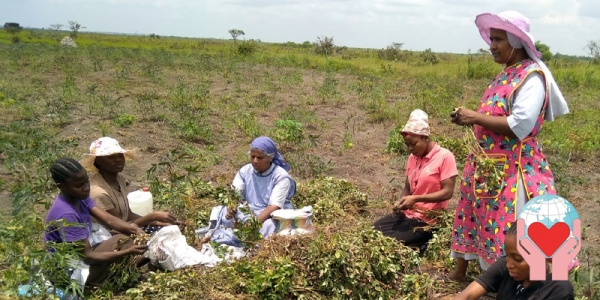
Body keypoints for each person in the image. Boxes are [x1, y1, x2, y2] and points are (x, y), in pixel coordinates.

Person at [446, 10, 573, 282]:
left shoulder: (532, 76)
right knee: (477, 215)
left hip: (514, 170)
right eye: (491, 39)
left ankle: (517, 280)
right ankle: (478, 274)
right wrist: (469, 119)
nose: (492, 45)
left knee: (511, 224)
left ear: (516, 41)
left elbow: (521, 125)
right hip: (488, 165)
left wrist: (475, 117)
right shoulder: (507, 74)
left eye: (499, 39)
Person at [44, 158, 148, 292]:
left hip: (82, 256)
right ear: (61, 186)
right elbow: (88, 257)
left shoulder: (80, 197)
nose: (86, 188)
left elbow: (110, 220)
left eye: (86, 181)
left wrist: (135, 229)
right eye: (79, 185)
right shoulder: (66, 214)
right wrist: (127, 252)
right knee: (122, 243)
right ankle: (90, 287)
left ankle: (108, 275)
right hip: (68, 272)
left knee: (127, 237)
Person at [373, 109, 458, 252]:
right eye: (407, 145)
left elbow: (447, 192)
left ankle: (424, 242)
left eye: (413, 143)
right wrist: (401, 202)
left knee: (390, 243)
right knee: (374, 231)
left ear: (425, 137)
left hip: (428, 220)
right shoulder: (413, 158)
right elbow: (407, 186)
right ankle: (415, 243)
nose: (410, 149)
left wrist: (416, 199)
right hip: (408, 215)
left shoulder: (445, 157)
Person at [202, 136, 296, 244]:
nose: (255, 161)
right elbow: (236, 193)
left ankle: (227, 237)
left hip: (267, 215)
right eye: (252, 157)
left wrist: (254, 224)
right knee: (219, 211)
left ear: (270, 158)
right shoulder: (245, 171)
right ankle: (215, 233)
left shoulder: (281, 177)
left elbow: (273, 207)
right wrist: (231, 208)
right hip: (248, 211)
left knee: (269, 226)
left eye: (260, 158)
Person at [79, 137, 179, 236]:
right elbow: (119, 226)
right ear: (99, 161)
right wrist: (153, 216)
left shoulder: (119, 179)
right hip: (110, 236)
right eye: (111, 157)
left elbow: (129, 215)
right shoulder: (98, 192)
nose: (118, 160)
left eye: (120, 156)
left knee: (171, 229)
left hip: (128, 226)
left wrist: (164, 223)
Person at [452, 220, 575, 300]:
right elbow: (466, 296)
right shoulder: (504, 266)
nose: (509, 264)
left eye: (517, 259)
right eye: (508, 255)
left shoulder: (558, 289)